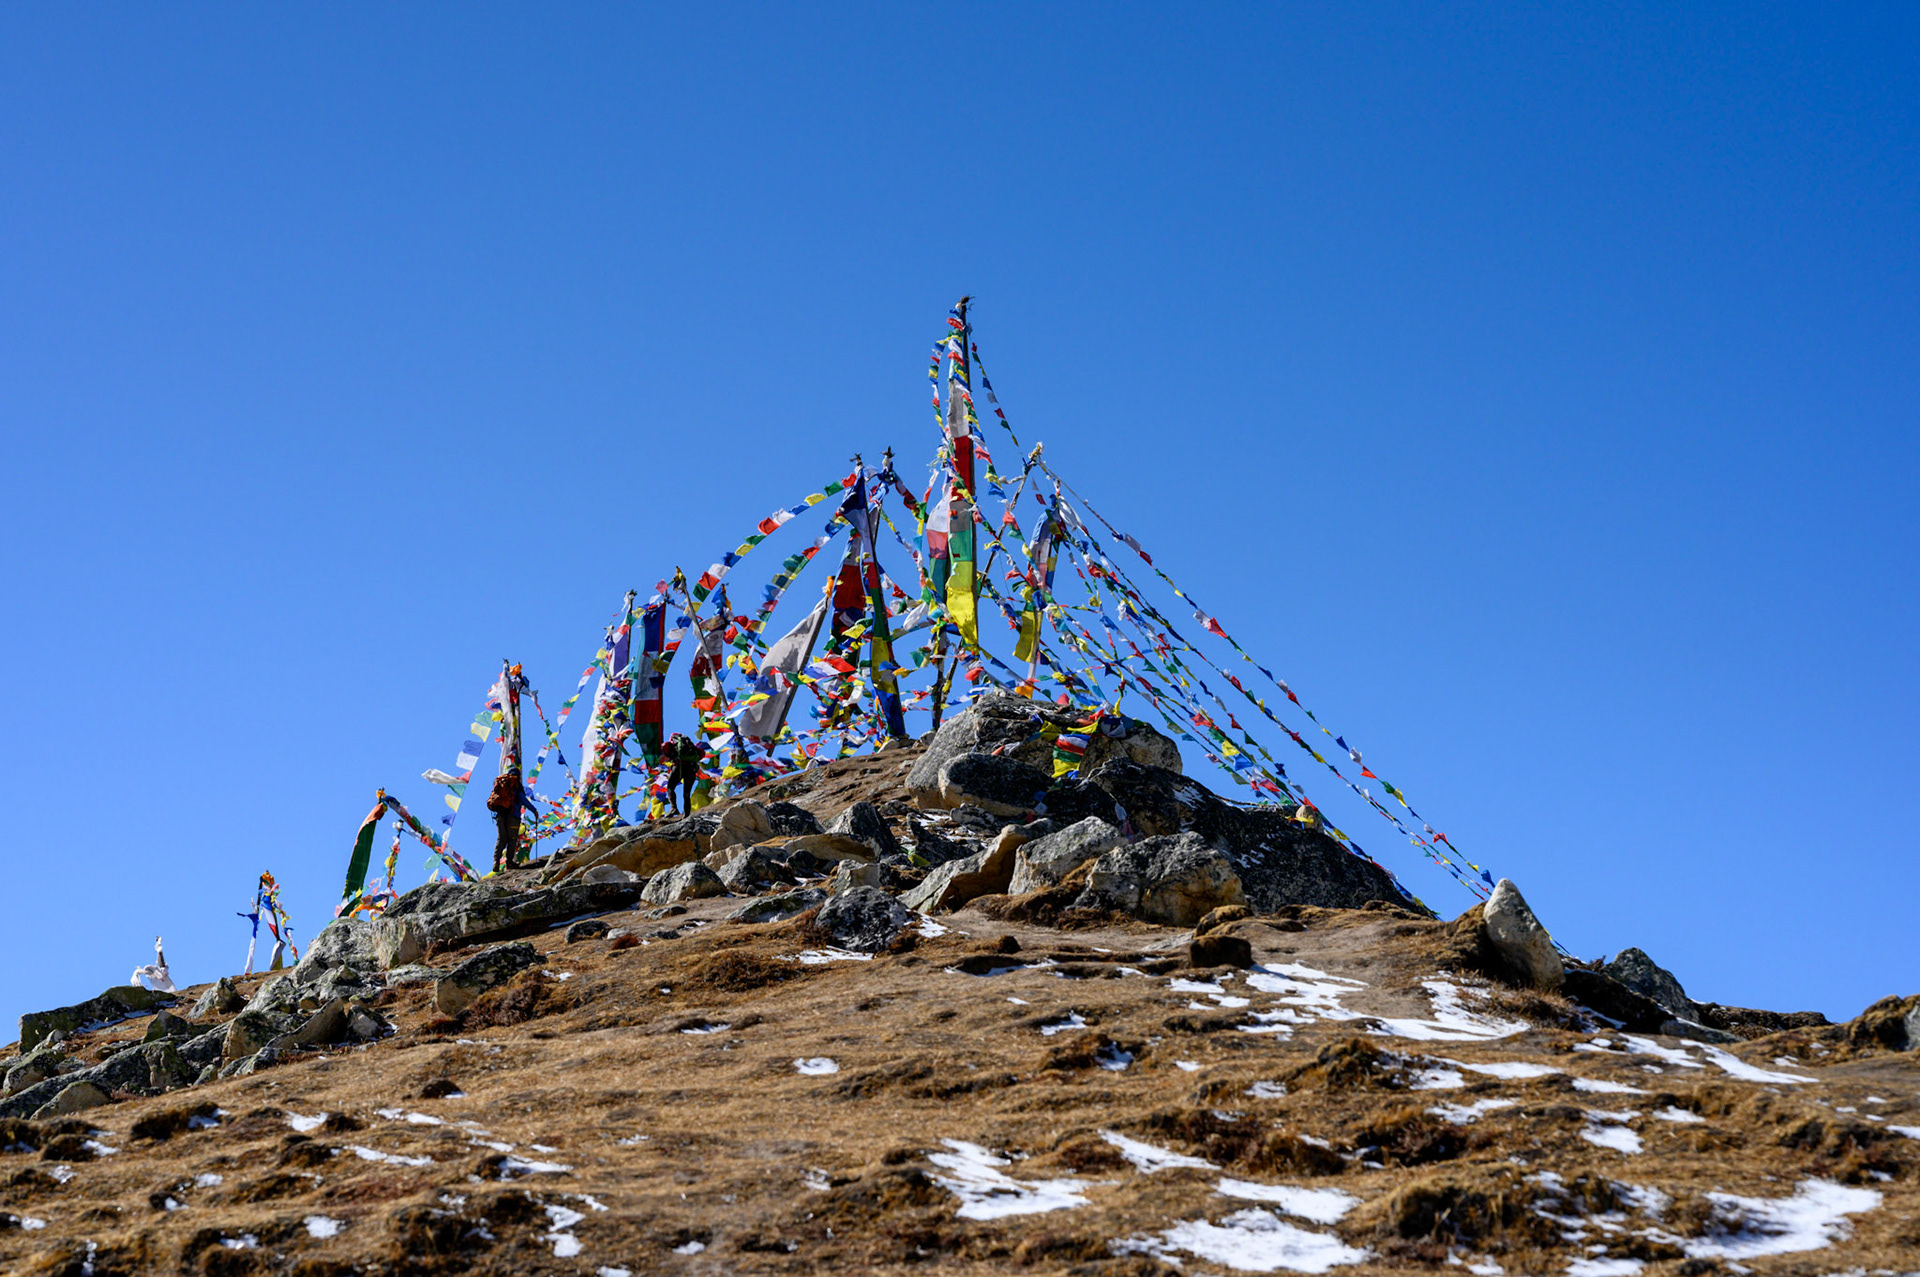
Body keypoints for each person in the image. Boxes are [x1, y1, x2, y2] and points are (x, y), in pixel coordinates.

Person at [488, 771, 525, 871]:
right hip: (513, 816)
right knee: (512, 839)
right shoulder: (515, 784)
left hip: (500, 815)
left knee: (501, 839)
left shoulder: (501, 784)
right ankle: (509, 862)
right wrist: (534, 810)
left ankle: (496, 861)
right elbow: (523, 799)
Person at [664, 733, 708, 815]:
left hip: (678, 766)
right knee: (686, 793)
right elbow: (702, 753)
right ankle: (686, 813)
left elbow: (664, 746)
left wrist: (671, 756)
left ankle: (673, 808)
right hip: (691, 769)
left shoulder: (672, 743)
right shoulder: (691, 746)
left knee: (670, 787)